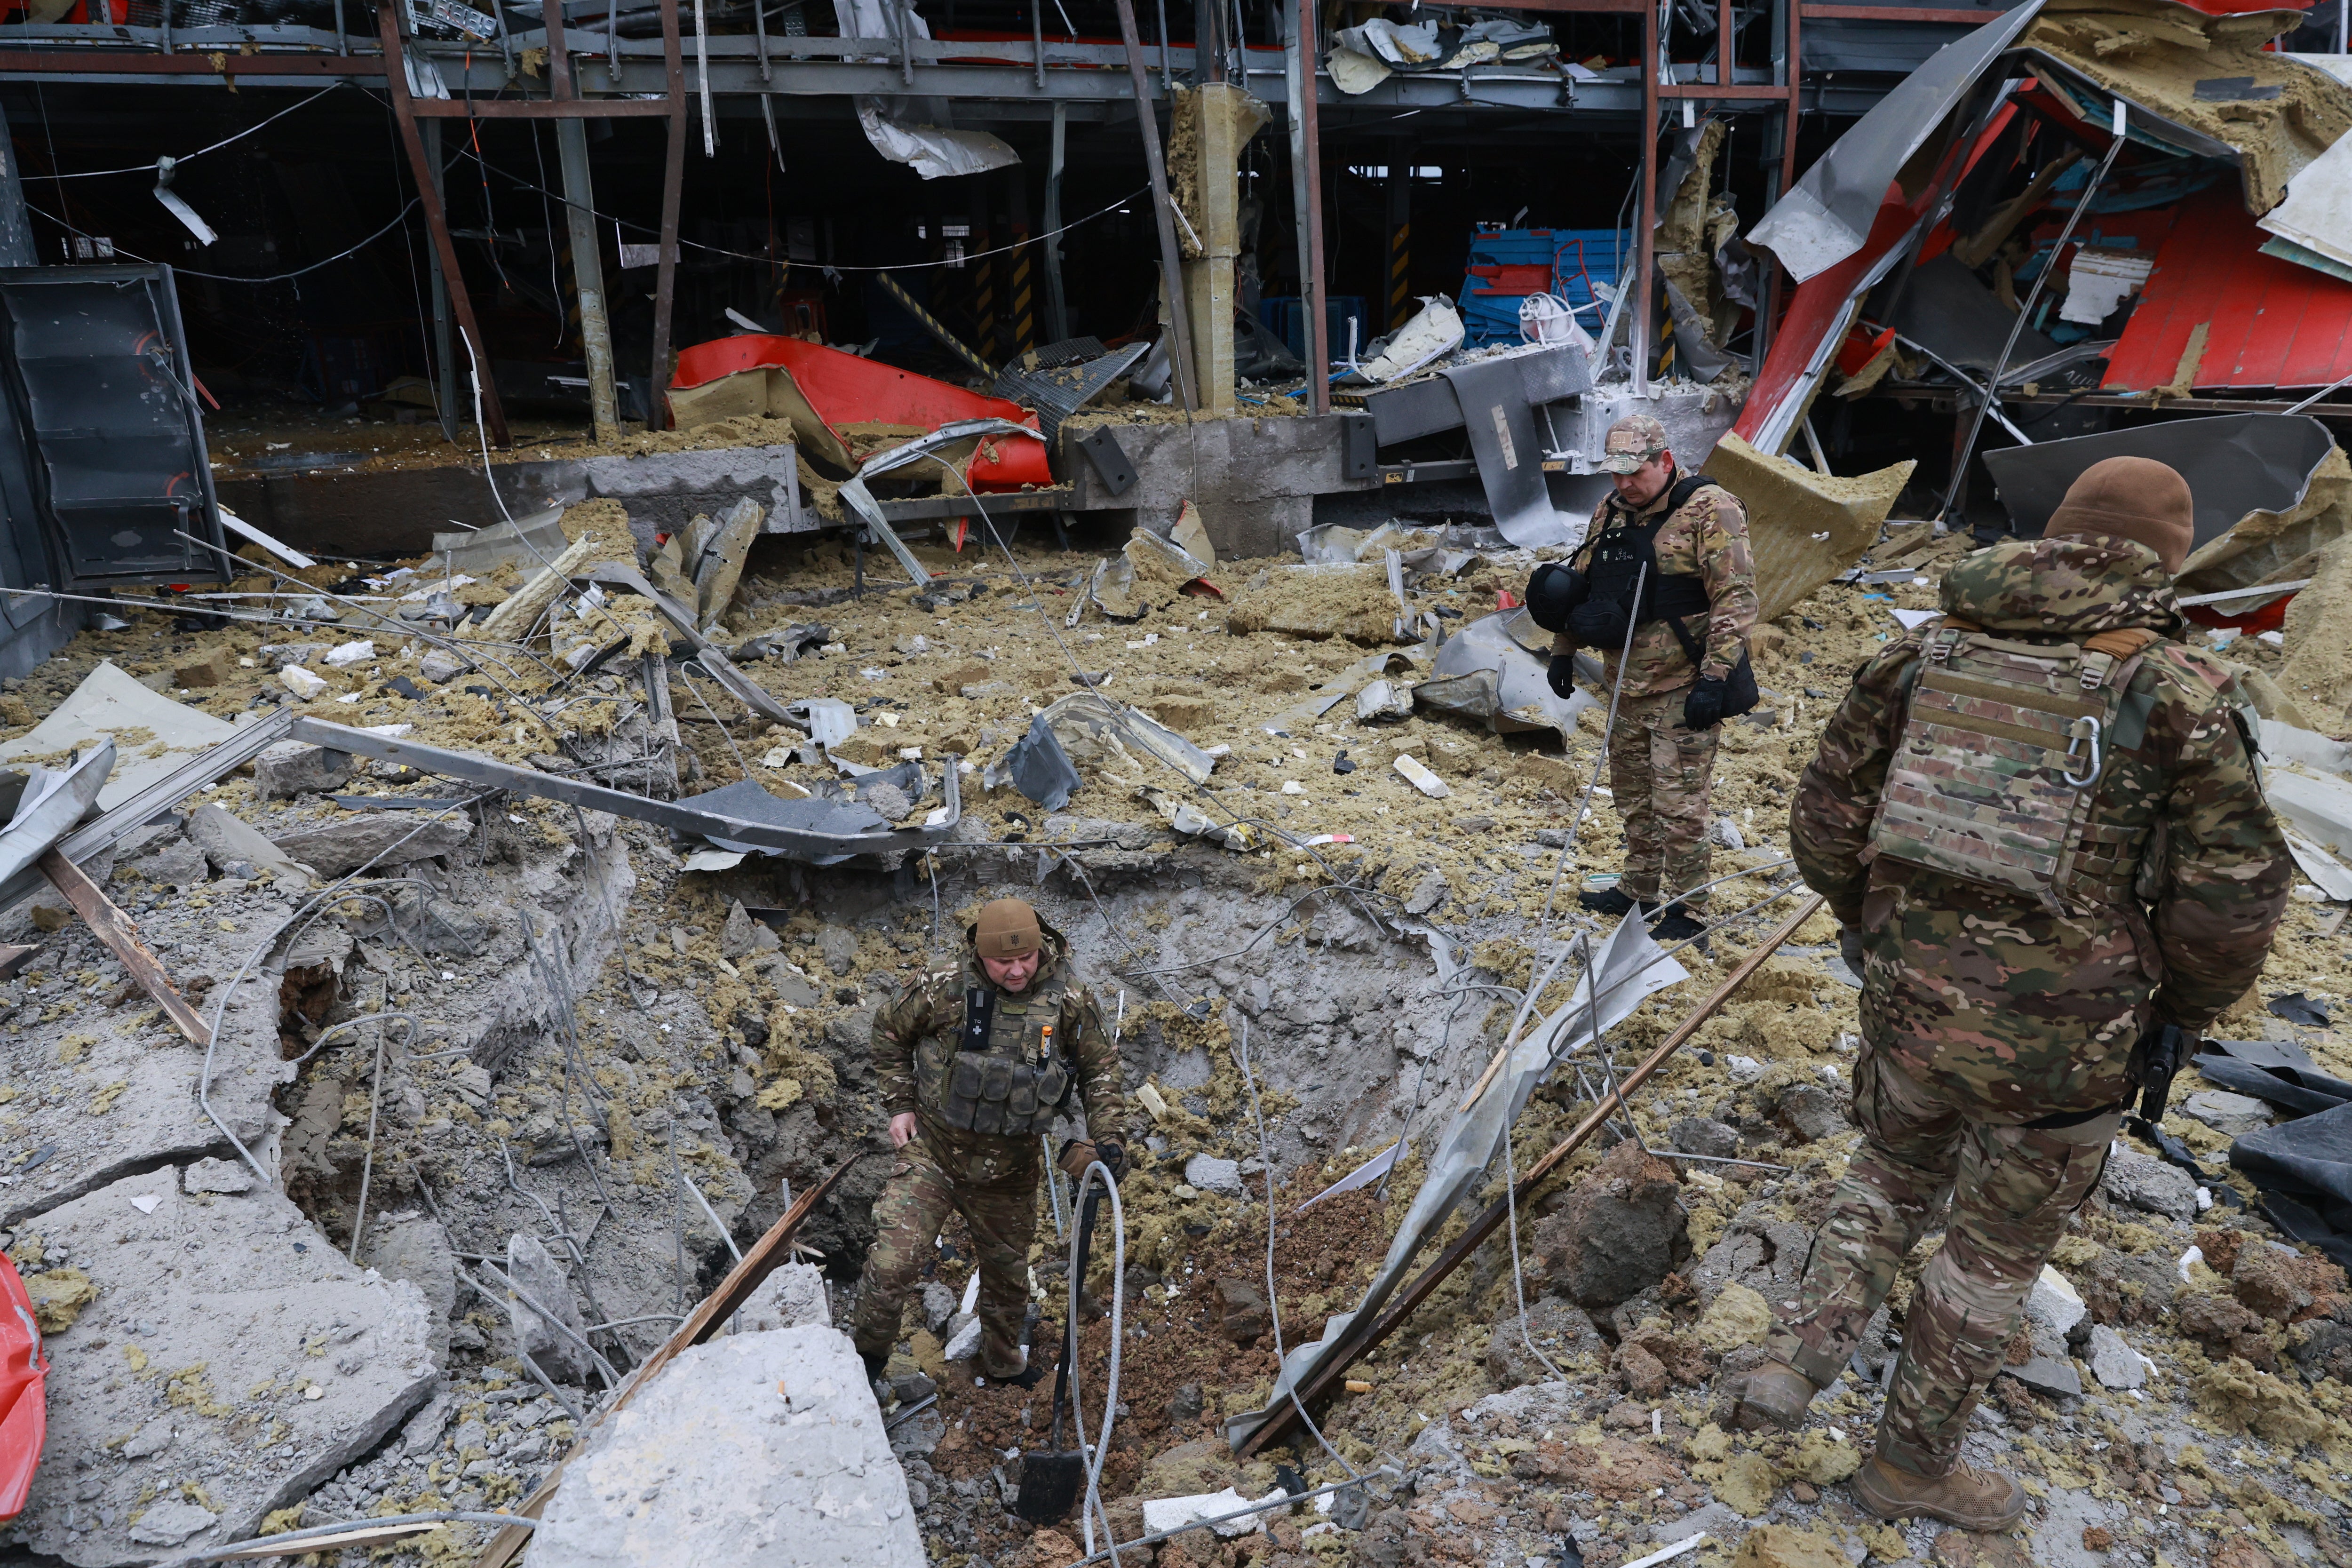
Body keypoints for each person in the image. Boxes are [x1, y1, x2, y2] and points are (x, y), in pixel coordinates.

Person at [1725, 456, 2289, 1528]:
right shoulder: (2176, 692)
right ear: (2163, 563)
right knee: (1988, 1252)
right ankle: (1908, 1467)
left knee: (1887, 1175)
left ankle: (1790, 1368)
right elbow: (2230, 903)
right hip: (2065, 1040)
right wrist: (2184, 1009)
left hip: (1906, 999)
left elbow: (1822, 828)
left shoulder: (1921, 652)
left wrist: (1873, 925)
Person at [851, 897, 1128, 1387]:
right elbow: (889, 1033)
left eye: (1026, 959)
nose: (1018, 970)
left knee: (1007, 1280)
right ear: (981, 955)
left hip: (1008, 1171)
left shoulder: (1069, 1000)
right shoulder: (943, 986)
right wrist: (900, 1105)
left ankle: (1002, 1365)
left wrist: (1107, 1140)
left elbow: (1100, 1071)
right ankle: (862, 1365)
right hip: (934, 1155)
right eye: (1004, 962)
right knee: (892, 1265)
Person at [1535, 412, 1757, 943]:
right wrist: (1562, 651)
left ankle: (1688, 911)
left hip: (1684, 687)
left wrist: (1714, 679)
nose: (1623, 484)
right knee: (1632, 797)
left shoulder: (1711, 509)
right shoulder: (1610, 511)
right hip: (1625, 685)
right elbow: (1580, 586)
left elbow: (1736, 598)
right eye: (1614, 474)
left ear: (1664, 460)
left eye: (1633, 472)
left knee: (1679, 808)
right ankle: (1639, 889)